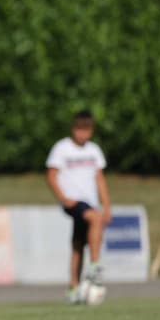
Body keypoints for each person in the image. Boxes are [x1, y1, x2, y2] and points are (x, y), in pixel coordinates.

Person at [45, 109, 112, 303]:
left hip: (90, 202)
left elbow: (100, 179)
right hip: (73, 201)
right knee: (95, 218)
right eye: (79, 130)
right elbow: (51, 175)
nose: (82, 134)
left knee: (77, 244)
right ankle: (95, 266)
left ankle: (73, 288)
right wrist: (63, 197)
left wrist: (106, 205)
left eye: (86, 130)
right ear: (73, 129)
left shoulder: (94, 150)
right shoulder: (62, 148)